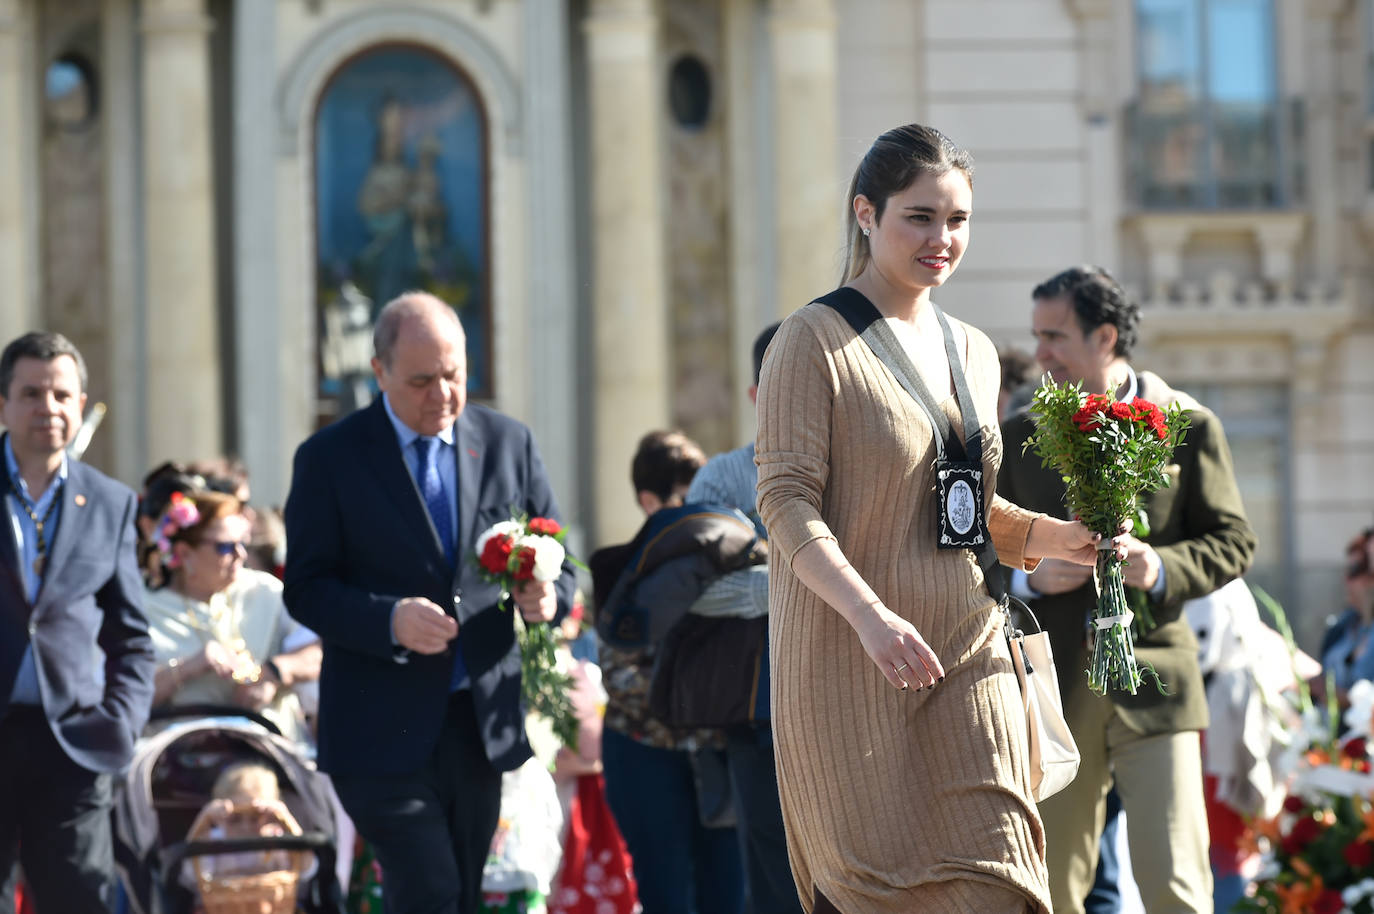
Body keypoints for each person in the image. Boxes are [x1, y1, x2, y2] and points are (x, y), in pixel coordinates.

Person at [755, 124, 1115, 914]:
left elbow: (971, 510)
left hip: (968, 648)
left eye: (957, 220)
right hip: (850, 661)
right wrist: (870, 615)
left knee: (1004, 880)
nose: (941, 239)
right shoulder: (809, 342)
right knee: (884, 894)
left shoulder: (977, 351)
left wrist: (1065, 536)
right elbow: (784, 501)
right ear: (865, 213)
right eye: (919, 217)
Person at [283, 291, 576, 914]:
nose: (441, 394)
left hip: (480, 722)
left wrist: (546, 594)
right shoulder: (330, 459)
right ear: (379, 371)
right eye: (421, 381)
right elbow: (306, 587)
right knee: (430, 890)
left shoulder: (507, 443)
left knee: (465, 894)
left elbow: (557, 554)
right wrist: (387, 619)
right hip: (377, 726)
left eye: (454, 376)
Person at [997, 264, 1257, 914]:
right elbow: (977, 551)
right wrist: (1028, 574)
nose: (1041, 354)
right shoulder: (1020, 438)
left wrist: (1160, 568)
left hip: (1158, 683)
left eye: (1055, 336)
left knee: (1177, 886)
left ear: (1106, 336)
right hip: (1054, 694)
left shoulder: (1188, 426)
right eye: (1037, 336)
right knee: (1052, 888)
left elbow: (1233, 541)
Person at [0, 331, 157, 912]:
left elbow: (132, 637)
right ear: (3, 405)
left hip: (74, 745)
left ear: (81, 404)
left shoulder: (111, 503)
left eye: (63, 395)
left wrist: (120, 721)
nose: (49, 408)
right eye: (32, 393)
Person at [591, 430, 745, 914]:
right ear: (648, 500)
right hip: (645, 755)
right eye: (683, 498)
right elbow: (622, 680)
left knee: (729, 894)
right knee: (666, 894)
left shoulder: (722, 558)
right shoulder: (619, 566)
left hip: (717, 757)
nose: (695, 510)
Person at [682, 322, 801, 914]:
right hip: (758, 713)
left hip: (859, 701)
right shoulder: (721, 479)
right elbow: (696, 593)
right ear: (758, 396)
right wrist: (805, 576)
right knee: (775, 881)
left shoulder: (863, 465)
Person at [142, 489, 321, 745]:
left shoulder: (265, 591)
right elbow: (125, 697)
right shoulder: (143, 607)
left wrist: (275, 672)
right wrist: (187, 669)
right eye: (225, 546)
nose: (241, 555)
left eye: (244, 544)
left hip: (271, 749)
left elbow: (319, 652)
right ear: (184, 553)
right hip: (181, 760)